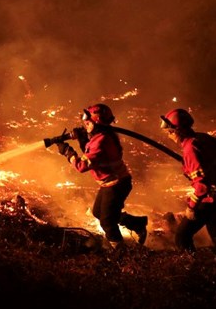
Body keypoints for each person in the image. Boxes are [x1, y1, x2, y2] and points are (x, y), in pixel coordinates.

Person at [51, 103, 149, 251]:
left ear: (97, 122)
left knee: (107, 222)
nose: (85, 124)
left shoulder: (101, 141)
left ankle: (121, 253)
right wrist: (81, 139)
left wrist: (67, 151)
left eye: (88, 122)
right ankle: (137, 223)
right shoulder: (101, 136)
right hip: (111, 183)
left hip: (116, 185)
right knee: (98, 212)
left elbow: (81, 166)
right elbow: (90, 153)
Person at [160, 108, 216, 255]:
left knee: (182, 236)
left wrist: (191, 207)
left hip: (208, 200)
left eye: (170, 131)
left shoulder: (190, 148)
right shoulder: (201, 138)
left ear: (178, 131)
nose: (169, 135)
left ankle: (193, 267)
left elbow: (201, 187)